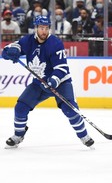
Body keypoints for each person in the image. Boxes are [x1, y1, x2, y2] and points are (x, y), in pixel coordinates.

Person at [1, 15, 94, 148]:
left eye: (46, 28)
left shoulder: (55, 43)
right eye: (41, 28)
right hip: (39, 83)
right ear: (36, 28)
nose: (44, 31)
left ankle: (84, 136)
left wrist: (54, 81)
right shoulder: (27, 40)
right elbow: (7, 50)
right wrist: (11, 51)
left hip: (61, 83)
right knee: (20, 107)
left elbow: (62, 68)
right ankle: (18, 135)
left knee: (71, 110)